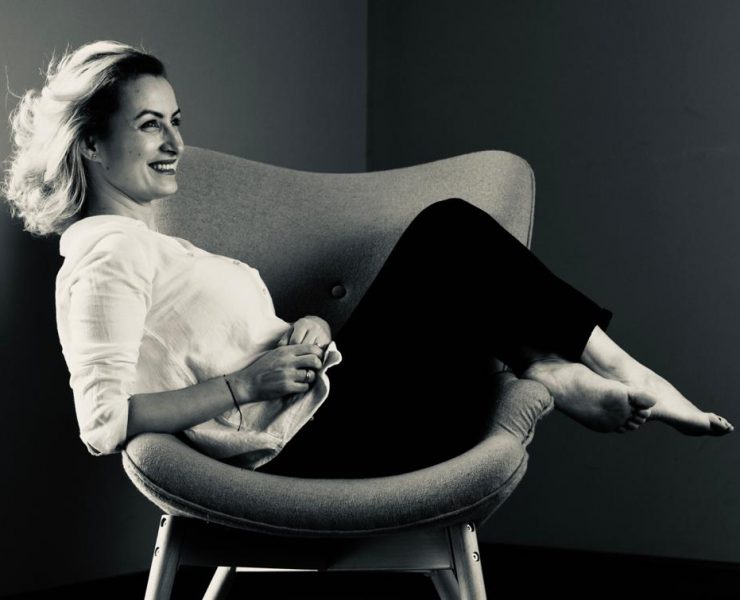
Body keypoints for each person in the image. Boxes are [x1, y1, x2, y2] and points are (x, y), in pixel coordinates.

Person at [2, 41, 733, 480]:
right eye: (149, 125)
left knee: (451, 239)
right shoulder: (105, 257)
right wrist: (242, 385)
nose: (174, 143)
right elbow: (102, 423)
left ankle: (546, 363)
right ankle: (589, 364)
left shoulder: (151, 245)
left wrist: (311, 328)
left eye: (175, 122)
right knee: (449, 231)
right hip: (309, 451)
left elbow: (224, 345)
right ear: (90, 144)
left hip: (327, 407)